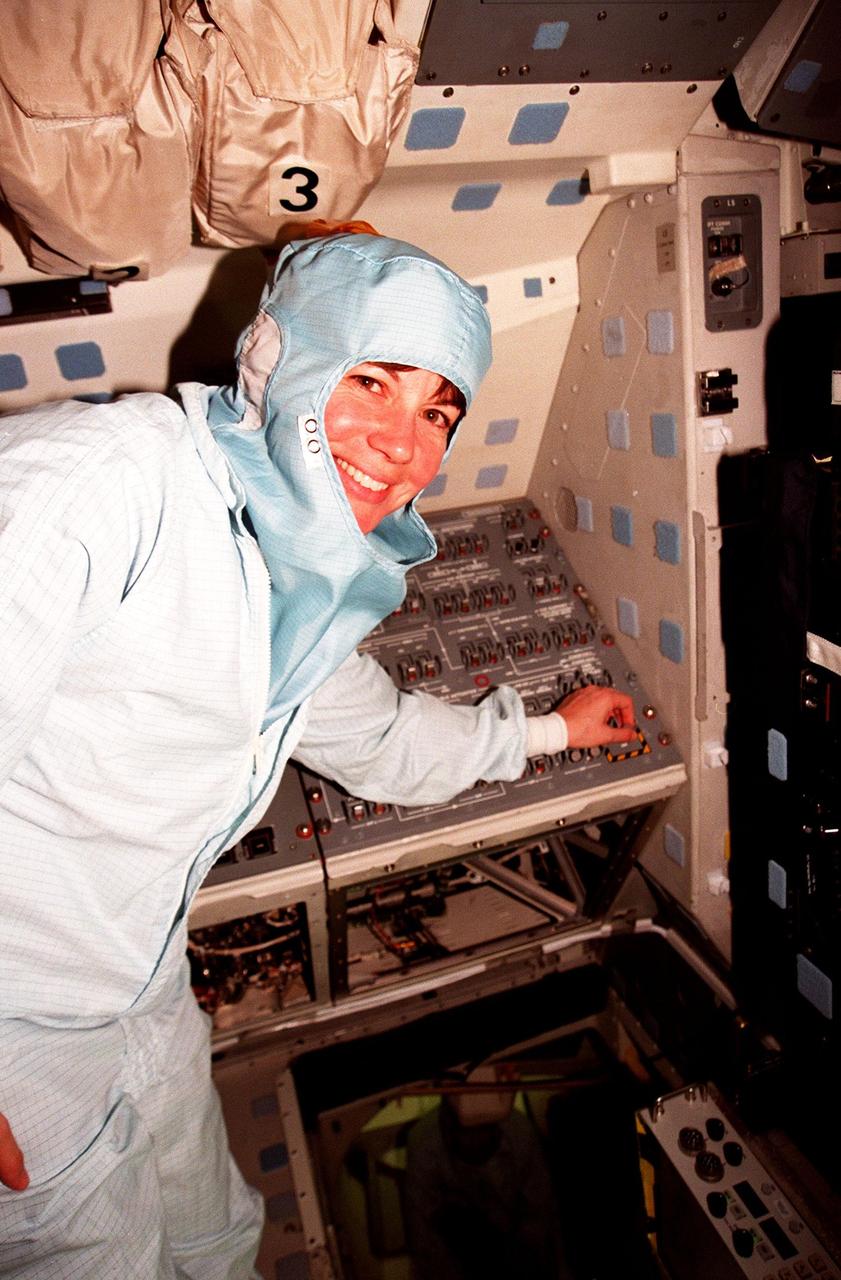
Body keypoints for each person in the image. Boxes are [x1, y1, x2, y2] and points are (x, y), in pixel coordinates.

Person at [0, 228, 635, 1277]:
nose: (408, 445)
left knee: (213, 1235)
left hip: (141, 979)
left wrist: (549, 728)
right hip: (19, 1024)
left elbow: (380, 738)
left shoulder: (299, 565)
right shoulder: (101, 482)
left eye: (438, 409)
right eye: (372, 381)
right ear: (270, 357)